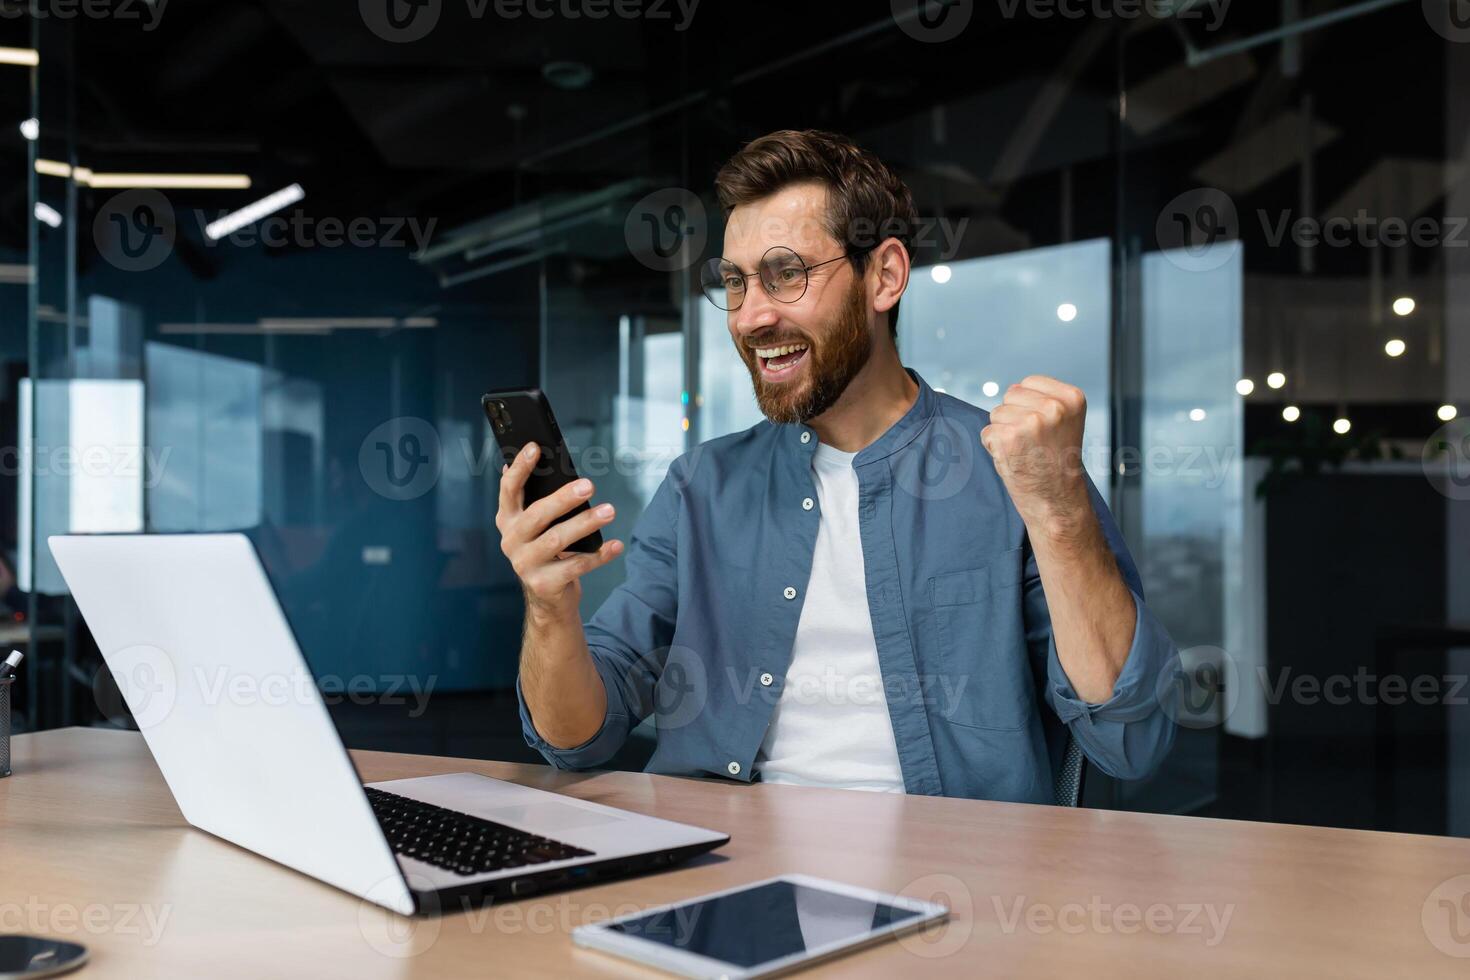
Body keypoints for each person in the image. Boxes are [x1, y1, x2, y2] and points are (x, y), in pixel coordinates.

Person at [496, 129, 1179, 803]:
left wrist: (1058, 511)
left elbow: (1130, 741)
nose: (751, 317)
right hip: (719, 870)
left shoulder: (1015, 473)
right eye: (734, 283)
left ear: (883, 275)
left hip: (957, 883)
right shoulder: (702, 485)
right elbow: (577, 740)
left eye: (785, 273)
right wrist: (550, 606)